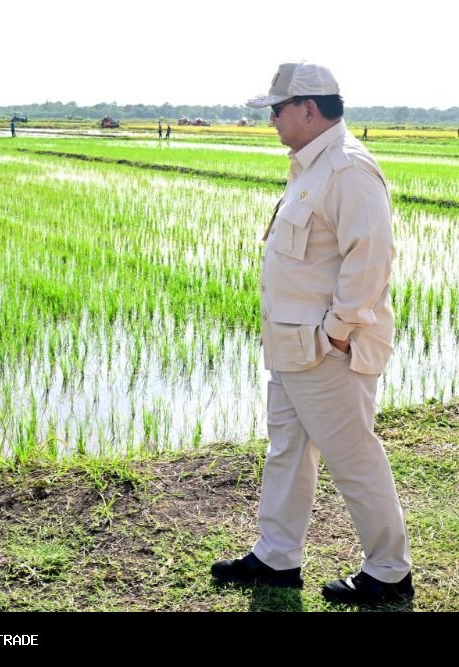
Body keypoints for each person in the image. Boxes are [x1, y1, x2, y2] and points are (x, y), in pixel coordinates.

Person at [210, 62, 413, 605]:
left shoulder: (348, 169)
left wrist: (338, 333)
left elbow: (371, 260)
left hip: (327, 351)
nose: (271, 120)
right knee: (288, 451)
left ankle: (389, 571)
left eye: (278, 110)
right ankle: (277, 558)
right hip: (292, 345)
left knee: (353, 459)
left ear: (308, 108)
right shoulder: (311, 167)